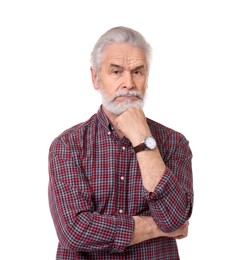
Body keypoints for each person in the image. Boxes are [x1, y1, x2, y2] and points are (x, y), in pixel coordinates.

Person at [48, 26, 194, 259]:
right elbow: (74, 231)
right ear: (96, 78)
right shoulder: (68, 145)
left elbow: (175, 217)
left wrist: (142, 140)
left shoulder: (174, 143)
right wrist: (156, 228)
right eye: (116, 72)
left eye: (137, 72)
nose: (129, 83)